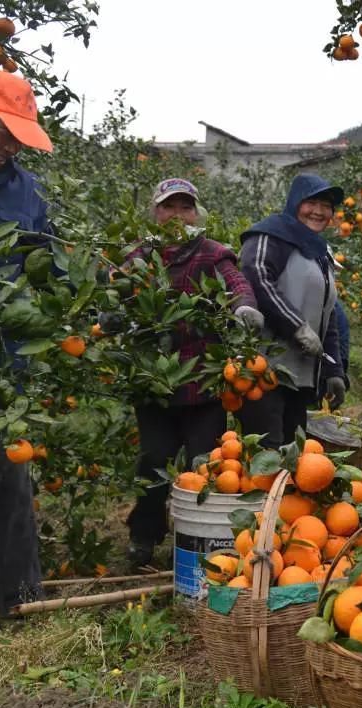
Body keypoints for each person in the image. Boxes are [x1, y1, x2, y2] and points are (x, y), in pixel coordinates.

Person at [122, 179, 262, 568]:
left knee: (205, 465)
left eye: (185, 208)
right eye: (170, 207)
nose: (177, 216)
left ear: (196, 214)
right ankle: (144, 536)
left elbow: (237, 287)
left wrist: (244, 308)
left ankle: (197, 540)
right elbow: (114, 293)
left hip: (203, 385)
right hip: (153, 383)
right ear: (156, 213)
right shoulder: (139, 257)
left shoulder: (214, 255)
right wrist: (111, 313)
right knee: (153, 461)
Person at [0, 69, 55, 616]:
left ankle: (15, 602)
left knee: (5, 484)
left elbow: (45, 270)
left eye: (20, 133)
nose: (12, 143)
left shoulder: (28, 192)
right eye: (3, 128)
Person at [237, 174, 348, 447]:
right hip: (264, 371)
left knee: (292, 457)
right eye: (312, 202)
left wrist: (333, 371)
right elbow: (257, 276)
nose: (319, 211)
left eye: (327, 205)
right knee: (267, 457)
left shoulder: (320, 253)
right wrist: (296, 326)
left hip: (301, 377)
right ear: (295, 202)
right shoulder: (270, 235)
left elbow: (328, 314)